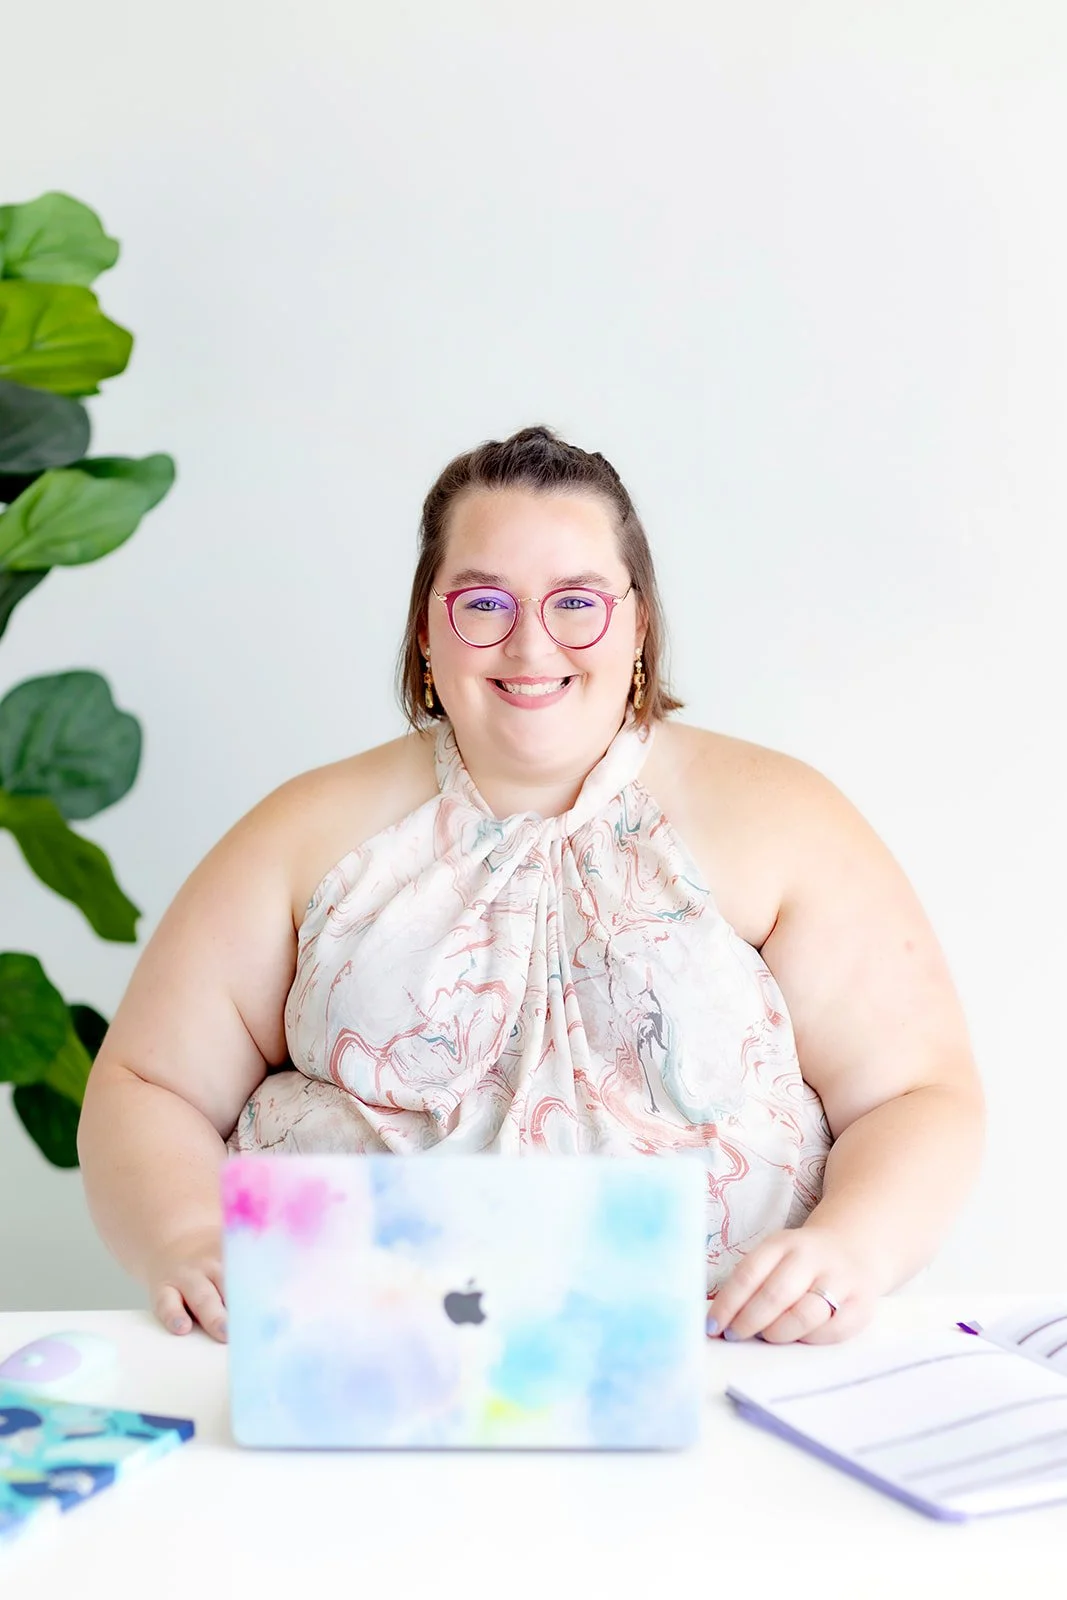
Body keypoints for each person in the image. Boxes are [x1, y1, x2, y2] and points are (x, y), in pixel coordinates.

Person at [78, 425, 984, 1349]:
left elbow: (915, 1095)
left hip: (724, 1367)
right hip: (354, 1364)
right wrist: (187, 1238)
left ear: (638, 625)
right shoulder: (300, 833)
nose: (529, 643)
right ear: (428, 631)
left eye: (576, 603)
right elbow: (150, 1085)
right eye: (483, 602)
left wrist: (849, 1249)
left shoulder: (784, 818)